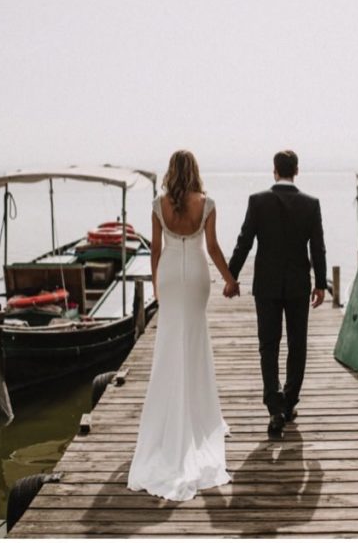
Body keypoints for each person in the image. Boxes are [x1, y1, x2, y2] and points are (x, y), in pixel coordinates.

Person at [127, 150, 237, 501]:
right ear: (195, 171)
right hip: (198, 276)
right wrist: (230, 279)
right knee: (195, 342)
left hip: (172, 276)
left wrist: (158, 286)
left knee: (170, 344)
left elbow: (155, 251)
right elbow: (215, 247)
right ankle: (198, 417)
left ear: (171, 172)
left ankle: (169, 421)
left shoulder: (159, 205)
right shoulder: (207, 203)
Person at [226, 150, 327, 438]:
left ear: (274, 170)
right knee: (297, 344)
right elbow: (317, 248)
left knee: (268, 345)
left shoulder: (258, 202)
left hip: (267, 286)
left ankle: (274, 407)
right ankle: (289, 403)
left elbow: (244, 242)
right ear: (297, 170)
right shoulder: (311, 204)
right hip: (298, 286)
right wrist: (320, 283)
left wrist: (231, 277)